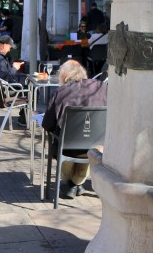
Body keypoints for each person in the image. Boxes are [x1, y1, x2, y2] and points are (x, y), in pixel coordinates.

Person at [42, 60, 107, 199]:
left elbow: (47, 124)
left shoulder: (60, 92)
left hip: (68, 145)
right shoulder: (102, 88)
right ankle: (75, 184)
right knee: (85, 153)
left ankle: (70, 185)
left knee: (63, 145)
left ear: (64, 76)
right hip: (96, 144)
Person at [0, 35, 27, 125]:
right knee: (32, 90)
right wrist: (15, 68)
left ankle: (24, 116)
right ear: (4, 45)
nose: (9, 50)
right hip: (5, 92)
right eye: (9, 47)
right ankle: (24, 119)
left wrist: (12, 65)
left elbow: (3, 73)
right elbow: (6, 77)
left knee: (26, 86)